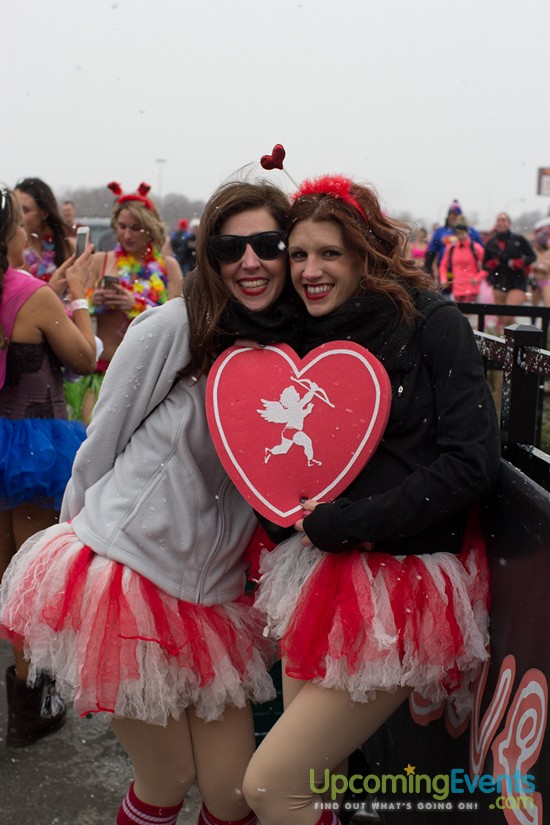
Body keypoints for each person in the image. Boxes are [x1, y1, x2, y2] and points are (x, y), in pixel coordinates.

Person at [0, 180, 296, 825]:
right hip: (126, 574)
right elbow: (100, 444)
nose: (250, 262)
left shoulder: (297, 353)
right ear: (208, 255)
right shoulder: (172, 326)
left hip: (215, 594)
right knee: (167, 778)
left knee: (232, 793)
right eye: (230, 247)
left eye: (268, 244)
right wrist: (69, 570)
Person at [242, 175, 501, 825]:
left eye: (329, 253)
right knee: (316, 785)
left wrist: (349, 522)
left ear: (366, 252)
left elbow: (471, 462)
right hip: (320, 578)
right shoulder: (301, 333)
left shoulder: (433, 322)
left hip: (403, 590)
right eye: (299, 255)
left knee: (271, 787)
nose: (310, 270)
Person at [0, 184, 97, 746]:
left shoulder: (31, 292)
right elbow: (84, 357)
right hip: (33, 449)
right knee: (28, 580)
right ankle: (30, 705)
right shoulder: (31, 294)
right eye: (19, 225)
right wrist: (77, 298)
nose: (26, 233)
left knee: (1, 571)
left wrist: (48, 292)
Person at [66, 182, 183, 423]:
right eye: (122, 227)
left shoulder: (168, 266)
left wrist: (137, 304)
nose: (127, 235)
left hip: (150, 376)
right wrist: (92, 300)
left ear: (150, 228)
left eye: (136, 228)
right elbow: (73, 309)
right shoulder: (101, 261)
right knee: (91, 434)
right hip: (103, 372)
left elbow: (180, 322)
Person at [15, 178, 74, 297]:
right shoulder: (10, 251)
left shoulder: (68, 247)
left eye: (25, 210)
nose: (18, 216)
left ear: (44, 213)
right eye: (15, 209)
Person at [482, 212, 536, 329]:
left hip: (517, 281)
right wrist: (491, 264)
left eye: (503, 220)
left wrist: (520, 262)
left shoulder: (518, 239)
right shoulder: (491, 242)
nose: (500, 223)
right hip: (498, 281)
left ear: (509, 223)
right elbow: (484, 265)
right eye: (498, 220)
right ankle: (514, 337)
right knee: (501, 319)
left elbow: (532, 256)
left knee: (508, 314)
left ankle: (519, 336)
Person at [423, 200, 483, 287]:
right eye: (450, 214)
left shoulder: (471, 232)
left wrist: (479, 275)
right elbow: (431, 253)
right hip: (444, 275)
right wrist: (427, 271)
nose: (452, 216)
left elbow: (481, 253)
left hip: (467, 277)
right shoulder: (440, 232)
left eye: (455, 214)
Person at [439, 216, 486, 303]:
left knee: (468, 310)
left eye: (462, 233)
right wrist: (443, 279)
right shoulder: (451, 248)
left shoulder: (475, 247)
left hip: (471, 287)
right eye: (458, 233)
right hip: (457, 288)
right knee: (458, 310)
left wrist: (477, 278)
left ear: (466, 232)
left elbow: (487, 266)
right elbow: (443, 265)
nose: (460, 236)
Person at [529, 228, 550, 308]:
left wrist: (538, 267)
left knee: (547, 303)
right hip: (535, 281)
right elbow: (531, 264)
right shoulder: (534, 252)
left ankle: (546, 316)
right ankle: (533, 316)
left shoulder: (548, 253)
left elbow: (546, 268)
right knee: (534, 304)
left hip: (546, 281)